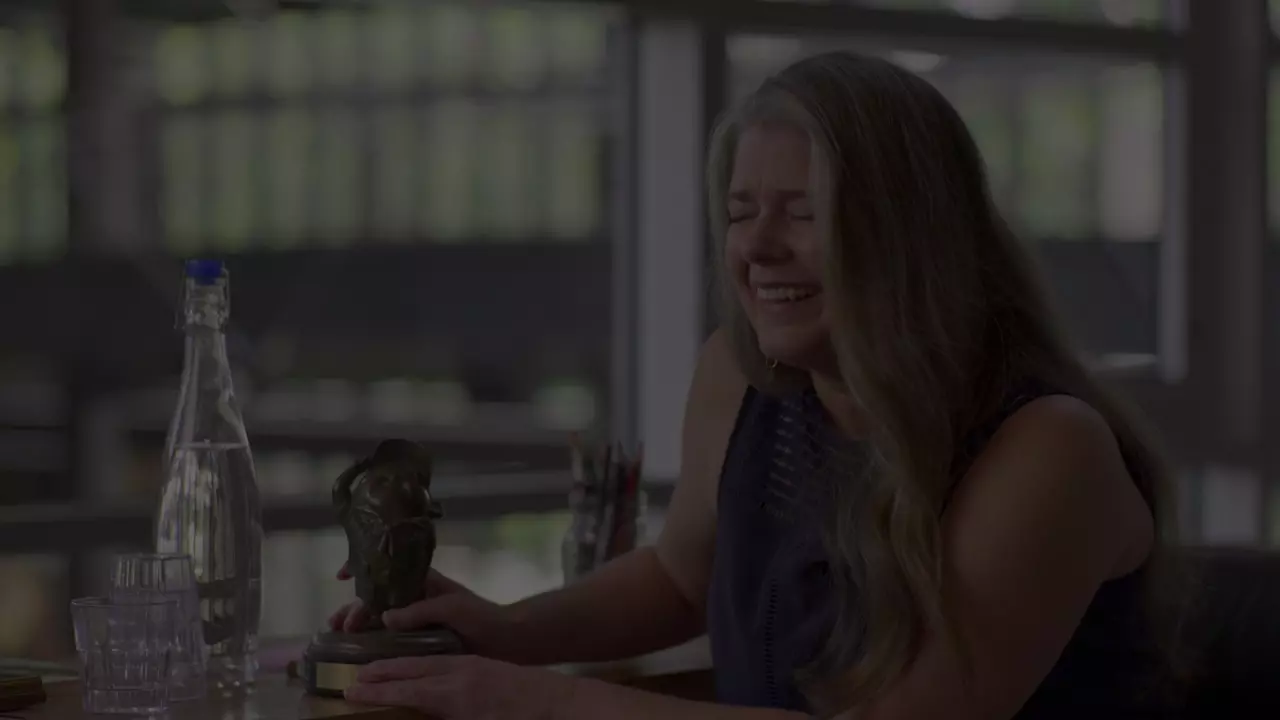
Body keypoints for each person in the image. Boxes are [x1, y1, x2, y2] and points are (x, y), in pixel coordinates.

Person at [328, 51, 1185, 719]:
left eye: (803, 214)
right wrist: (505, 630)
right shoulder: (739, 375)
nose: (757, 248)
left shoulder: (1049, 450)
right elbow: (681, 580)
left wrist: (546, 703)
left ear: (912, 237)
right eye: (741, 213)